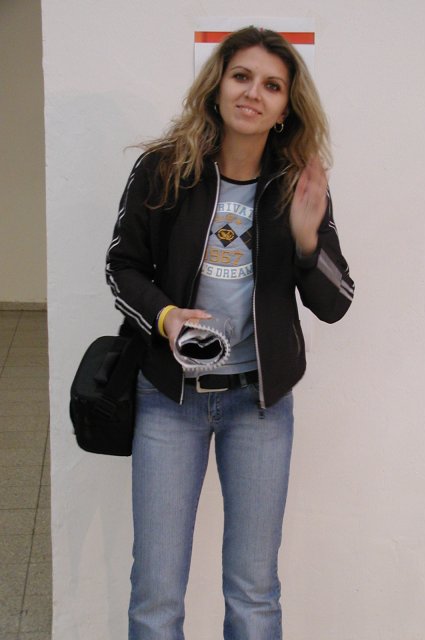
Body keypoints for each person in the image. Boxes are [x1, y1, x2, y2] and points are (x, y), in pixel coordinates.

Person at [106, 25, 354, 640]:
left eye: (272, 85)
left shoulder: (296, 184)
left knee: (254, 594)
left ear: (285, 106)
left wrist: (306, 242)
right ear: (217, 85)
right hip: (169, 399)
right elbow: (122, 267)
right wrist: (167, 317)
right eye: (241, 76)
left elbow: (336, 301)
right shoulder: (165, 169)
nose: (252, 93)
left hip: (258, 405)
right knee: (156, 593)